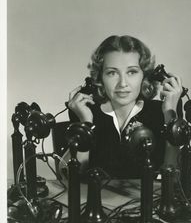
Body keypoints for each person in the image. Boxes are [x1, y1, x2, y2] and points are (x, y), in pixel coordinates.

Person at [63, 35, 183, 179]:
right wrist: (85, 124)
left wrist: (170, 115)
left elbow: (173, 178)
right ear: (100, 78)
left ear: (144, 76)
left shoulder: (161, 111)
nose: (122, 83)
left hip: (150, 200)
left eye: (131, 72)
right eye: (112, 73)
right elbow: (70, 179)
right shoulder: (86, 112)